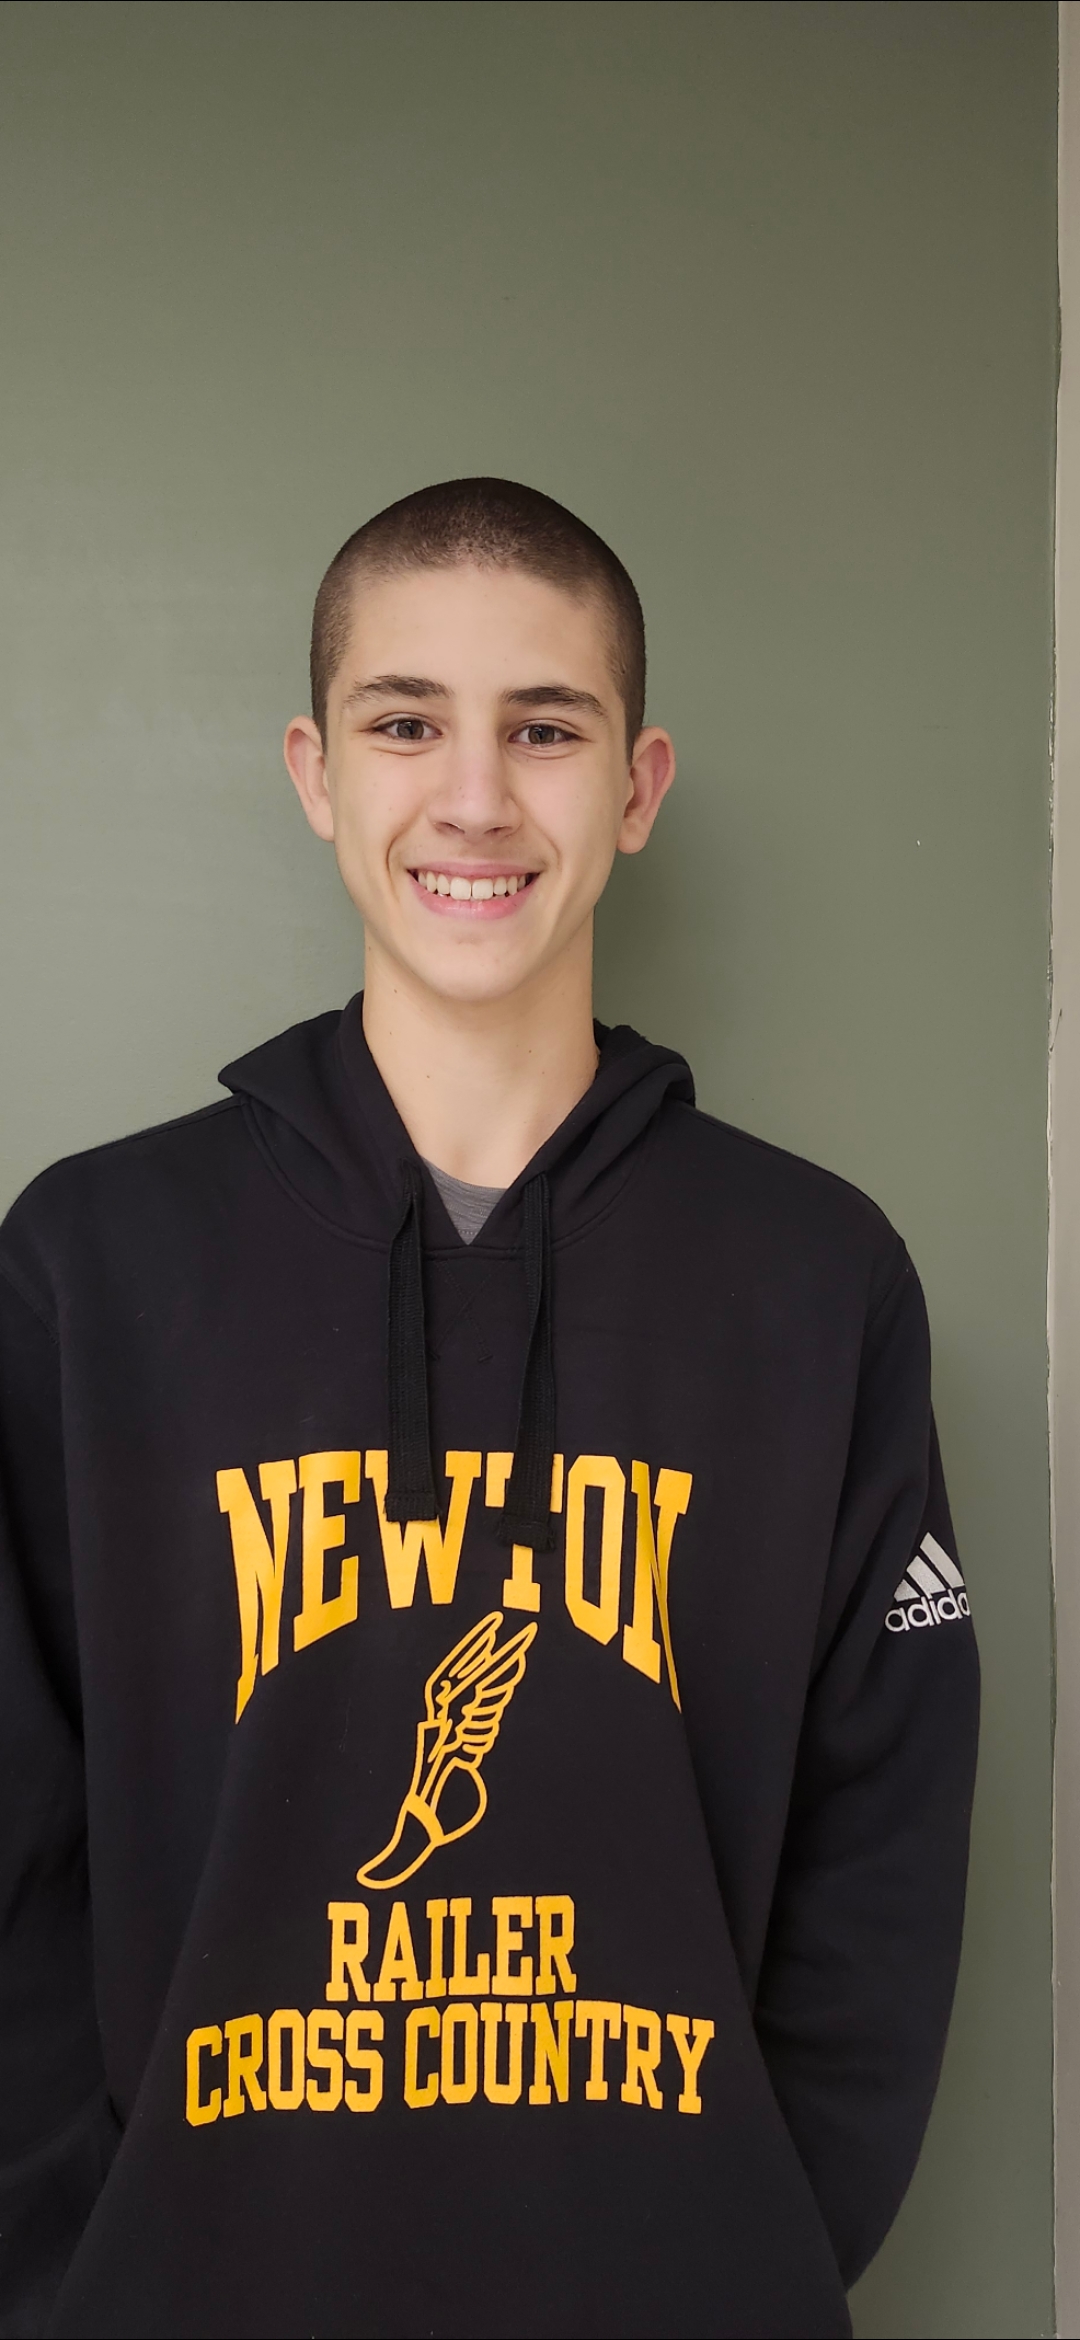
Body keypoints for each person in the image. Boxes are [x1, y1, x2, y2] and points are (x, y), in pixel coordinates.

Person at [0, 478, 978, 2340]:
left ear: (638, 784)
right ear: (314, 772)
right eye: (404, 724)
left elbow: (888, 1845)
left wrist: (746, 2252)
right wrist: (82, 2274)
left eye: (544, 728)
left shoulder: (813, 1279)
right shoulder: (91, 1269)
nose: (472, 799)